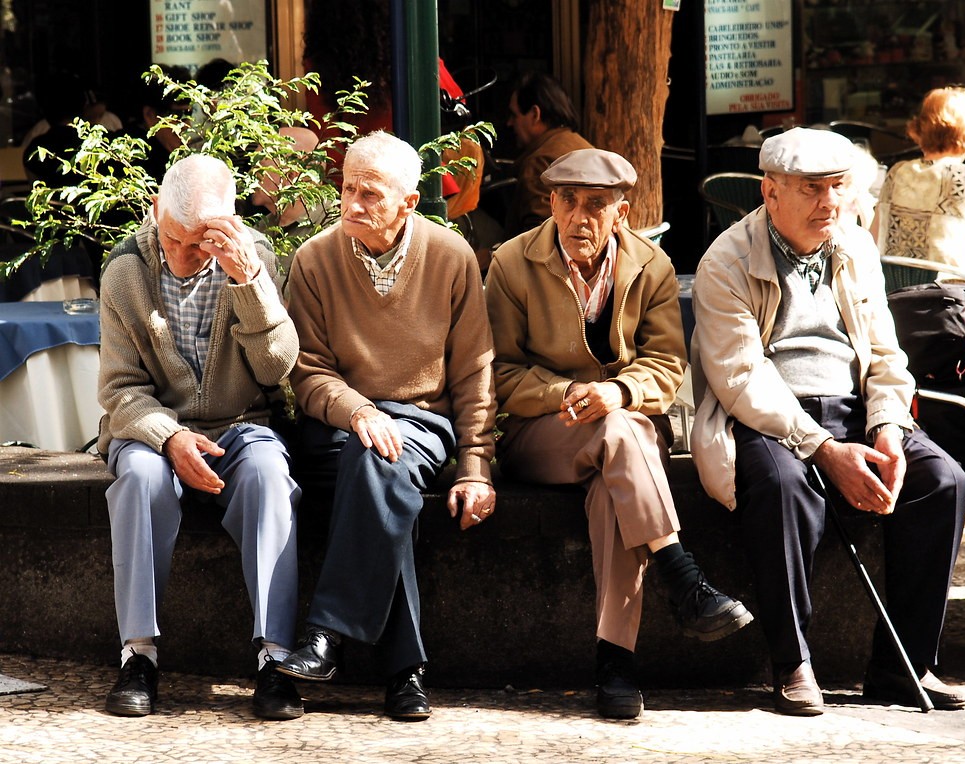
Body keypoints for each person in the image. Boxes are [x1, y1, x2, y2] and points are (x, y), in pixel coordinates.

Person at [690, 127, 965, 717]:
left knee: (940, 481)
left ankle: (905, 666)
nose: (830, 203)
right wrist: (823, 450)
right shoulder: (726, 260)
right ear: (770, 193)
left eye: (838, 187)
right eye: (812, 190)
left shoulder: (854, 246)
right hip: (774, 413)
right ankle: (792, 661)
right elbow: (741, 378)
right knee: (782, 486)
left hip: (855, 406)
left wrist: (889, 427)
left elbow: (889, 357)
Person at [485, 148, 753, 720]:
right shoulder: (511, 263)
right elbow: (499, 371)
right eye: (568, 201)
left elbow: (666, 365)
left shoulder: (650, 266)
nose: (579, 217)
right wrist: (566, 394)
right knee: (616, 434)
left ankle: (616, 665)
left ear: (621, 212)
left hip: (625, 431)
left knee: (613, 486)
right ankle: (682, 575)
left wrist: (620, 392)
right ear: (552, 203)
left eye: (596, 205)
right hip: (543, 433)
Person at [276, 130, 497, 721]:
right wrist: (359, 412)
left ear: (409, 201)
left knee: (380, 461)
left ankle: (326, 636)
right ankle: (405, 672)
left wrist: (475, 467)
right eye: (347, 188)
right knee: (375, 468)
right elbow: (308, 373)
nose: (352, 204)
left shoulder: (451, 258)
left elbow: (475, 373)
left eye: (370, 194)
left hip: (422, 422)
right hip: (342, 425)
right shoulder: (315, 259)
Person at [97, 154, 304, 720]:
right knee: (139, 477)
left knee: (267, 475)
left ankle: (275, 657)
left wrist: (249, 283)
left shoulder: (255, 259)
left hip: (240, 425)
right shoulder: (125, 272)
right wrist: (169, 438)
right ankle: (138, 655)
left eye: (201, 243)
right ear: (156, 211)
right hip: (150, 429)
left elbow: (276, 369)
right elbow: (119, 390)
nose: (183, 255)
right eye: (173, 238)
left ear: (230, 225)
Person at [870, 86, 965, 327]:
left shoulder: (896, 174)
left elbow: (871, 250)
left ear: (919, 128)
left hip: (894, 320)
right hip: (955, 320)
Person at [505, 72, 593, 237]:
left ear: (535, 114)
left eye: (514, 115)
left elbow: (540, 239)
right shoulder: (583, 146)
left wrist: (492, 254)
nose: (509, 123)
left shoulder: (540, 162)